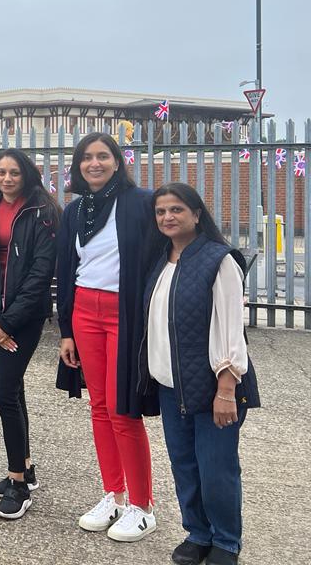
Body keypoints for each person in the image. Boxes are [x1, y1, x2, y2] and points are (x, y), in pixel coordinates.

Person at [139, 183, 259, 565]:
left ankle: (225, 541)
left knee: (216, 468)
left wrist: (227, 387)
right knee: (184, 465)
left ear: (195, 214)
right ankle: (198, 532)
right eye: (161, 212)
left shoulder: (218, 260)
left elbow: (230, 328)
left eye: (176, 210)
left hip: (212, 388)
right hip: (170, 386)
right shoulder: (161, 259)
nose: (168, 217)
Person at [56, 132, 158, 542]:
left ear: (118, 161)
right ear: (78, 166)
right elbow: (65, 268)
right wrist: (66, 329)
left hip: (124, 312)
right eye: (86, 157)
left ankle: (143, 506)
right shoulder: (75, 210)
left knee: (123, 409)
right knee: (98, 406)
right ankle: (113, 495)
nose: (94, 163)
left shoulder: (140, 203)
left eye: (103, 156)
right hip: (84, 310)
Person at [0, 148, 59, 519]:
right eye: (1, 172)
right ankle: (27, 466)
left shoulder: (42, 211)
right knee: (14, 391)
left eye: (14, 173)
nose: (6, 179)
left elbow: (41, 273)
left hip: (23, 318)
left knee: (4, 393)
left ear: (27, 175)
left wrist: (7, 322)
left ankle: (17, 482)